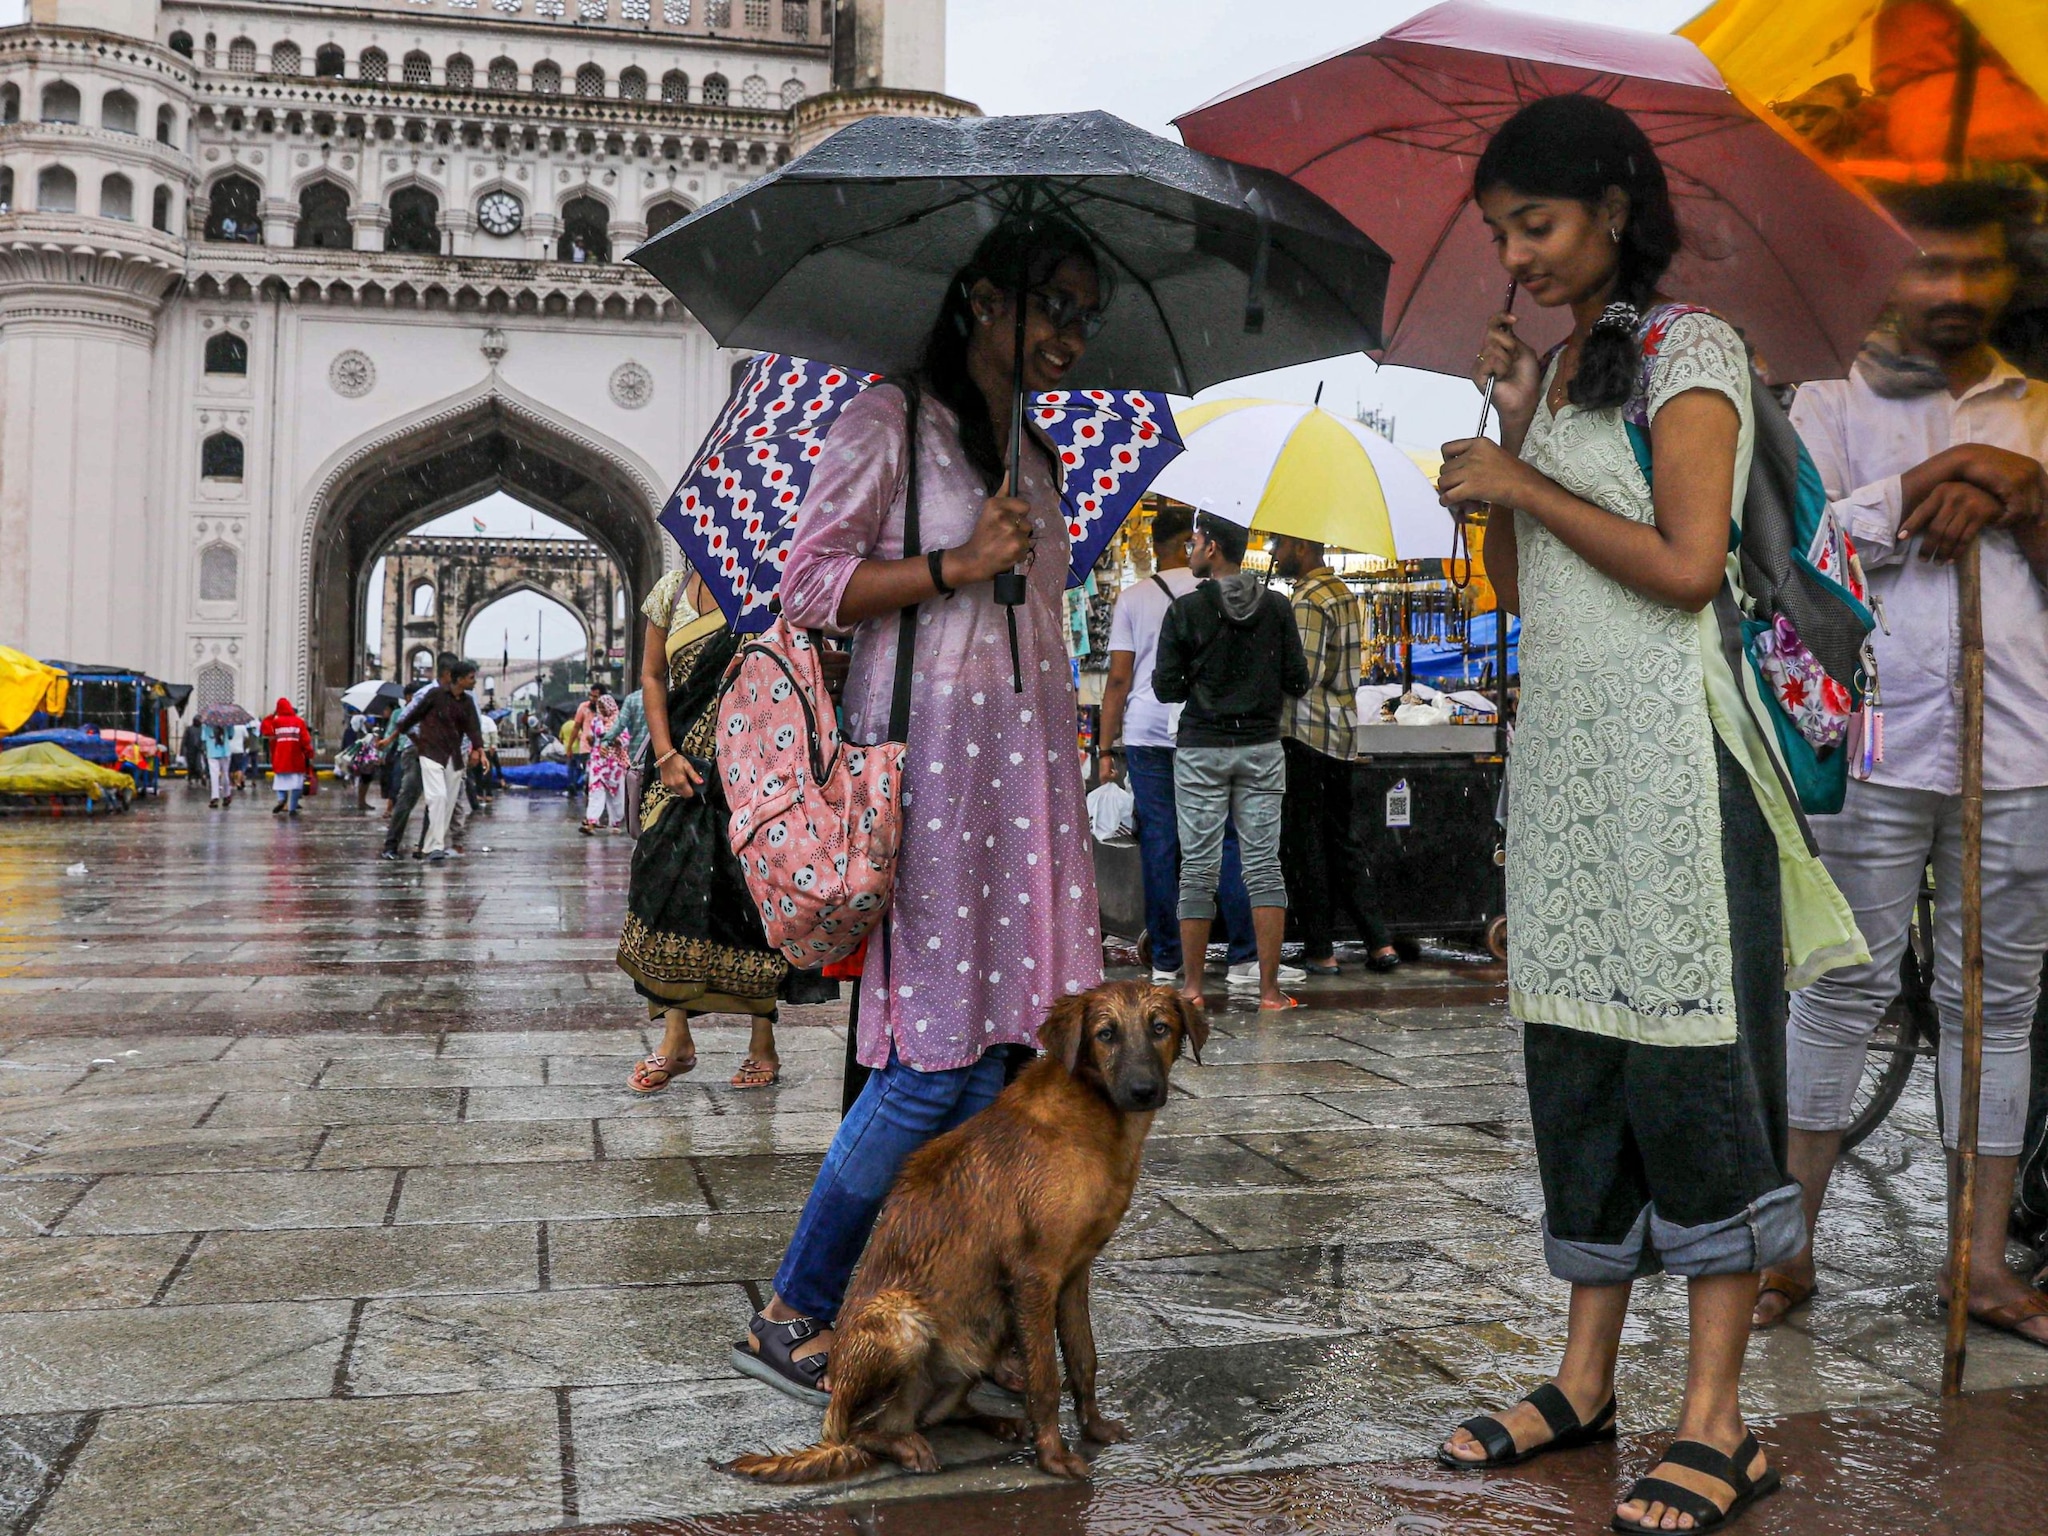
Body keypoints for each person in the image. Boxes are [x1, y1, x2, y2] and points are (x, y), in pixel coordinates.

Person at [1428, 95, 1864, 1533]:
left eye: (1535, 224)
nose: (1519, 253)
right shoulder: (1554, 374)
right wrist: (1503, 444)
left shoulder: (1698, 351)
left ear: (1615, 208)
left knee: (1693, 1075)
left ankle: (1720, 1420)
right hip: (1568, 778)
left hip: (1681, 768)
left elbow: (1685, 566)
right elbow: (1523, 576)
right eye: (1501, 234)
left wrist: (1523, 480)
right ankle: (1584, 1378)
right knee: (1580, 1063)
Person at [732, 214, 1105, 1401]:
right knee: (929, 1067)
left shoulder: (1030, 453)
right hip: (939, 779)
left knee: (1012, 1062)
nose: (1068, 334)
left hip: (1029, 779)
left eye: (1083, 315)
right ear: (979, 301)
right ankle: (797, 1300)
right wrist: (953, 562)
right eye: (1052, 305)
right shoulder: (889, 423)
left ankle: (965, 1313)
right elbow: (808, 584)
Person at [1758, 182, 2048, 1346]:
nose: (1953, 292)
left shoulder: (2038, 403)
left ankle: (1977, 1264)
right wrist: (1937, 477)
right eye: (1928, 265)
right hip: (1870, 743)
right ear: (1881, 268)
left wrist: (2021, 491)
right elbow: (1797, 558)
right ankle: (1784, 1252)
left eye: (1976, 269)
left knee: (1998, 1004)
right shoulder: (1824, 395)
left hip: (2021, 744)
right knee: (1837, 988)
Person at [1095, 501, 1284, 991]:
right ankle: (1243, 955)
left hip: (1150, 734)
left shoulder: (1137, 597)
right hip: (1216, 733)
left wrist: (1105, 748)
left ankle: (1166, 958)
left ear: (1155, 545)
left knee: (1161, 841)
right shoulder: (1239, 593)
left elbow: (1118, 679)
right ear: (1188, 542)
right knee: (1228, 841)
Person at [617, 566, 789, 1093]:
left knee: (752, 898)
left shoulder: (771, 586)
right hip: (680, 770)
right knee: (666, 891)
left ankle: (763, 1040)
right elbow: (652, 676)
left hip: (755, 767)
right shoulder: (670, 590)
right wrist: (666, 754)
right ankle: (677, 1038)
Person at [1152, 512, 1309, 1013]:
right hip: (1262, 748)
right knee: (1263, 866)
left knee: (1198, 867)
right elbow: (1298, 681)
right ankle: (1267, 992)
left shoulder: (1185, 610)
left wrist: (1204, 679)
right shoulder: (1279, 608)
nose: (1189, 550)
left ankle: (1192, 990)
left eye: (1194, 542)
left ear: (1214, 547)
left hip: (1201, 750)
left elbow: (1164, 687)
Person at [1270, 533, 1401, 976]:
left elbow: (1302, 675)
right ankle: (1379, 943)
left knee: (1308, 843)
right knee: (1342, 841)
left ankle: (1320, 949)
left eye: (1279, 544)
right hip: (1341, 735)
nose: (1274, 552)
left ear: (1302, 548)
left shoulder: (1308, 599)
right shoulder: (1342, 592)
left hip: (1307, 735)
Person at [387, 654, 484, 864]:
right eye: (470, 677)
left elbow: (472, 727)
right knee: (414, 798)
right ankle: (392, 845)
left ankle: (428, 846)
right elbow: (407, 720)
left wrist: (475, 750)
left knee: (443, 801)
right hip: (422, 752)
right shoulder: (428, 694)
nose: (474, 681)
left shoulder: (468, 699)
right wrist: (416, 741)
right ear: (450, 675)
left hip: (453, 755)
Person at [378, 680, 429, 859]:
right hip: (414, 752)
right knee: (408, 796)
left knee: (433, 800)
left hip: (427, 752)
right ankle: (391, 844)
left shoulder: (434, 699)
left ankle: (425, 846)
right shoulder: (425, 700)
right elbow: (402, 725)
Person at [581, 694, 628, 834]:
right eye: (599, 706)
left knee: (616, 795)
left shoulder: (619, 721)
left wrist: (614, 740)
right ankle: (591, 821)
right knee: (596, 790)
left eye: (603, 706)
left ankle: (615, 822)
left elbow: (625, 739)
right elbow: (592, 738)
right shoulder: (596, 721)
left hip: (615, 764)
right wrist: (590, 739)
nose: (601, 709)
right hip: (598, 762)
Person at [607, 686, 648, 839]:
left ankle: (640, 828)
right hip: (661, 755)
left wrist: (606, 740)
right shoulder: (667, 694)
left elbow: (620, 724)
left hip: (638, 755)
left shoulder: (633, 699)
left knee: (638, 793)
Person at [262, 697, 313, 816]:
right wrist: (309, 752)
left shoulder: (276, 722)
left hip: (280, 757)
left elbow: (267, 730)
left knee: (281, 781)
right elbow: (305, 740)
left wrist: (272, 715)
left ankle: (281, 800)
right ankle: (292, 807)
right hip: (296, 757)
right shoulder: (299, 722)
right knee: (297, 784)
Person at [568, 681, 602, 794]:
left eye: (595, 696)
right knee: (589, 774)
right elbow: (576, 727)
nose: (592, 698)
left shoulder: (607, 709)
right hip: (586, 749)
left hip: (603, 749)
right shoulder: (583, 707)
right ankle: (589, 796)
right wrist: (569, 747)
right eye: (590, 695)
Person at [201, 720, 233, 806]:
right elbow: (231, 736)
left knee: (214, 776)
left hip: (212, 751)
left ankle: (215, 797)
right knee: (225, 774)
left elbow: (203, 738)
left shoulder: (206, 722)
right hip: (225, 751)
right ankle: (227, 795)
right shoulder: (228, 721)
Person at [179, 717, 204, 788]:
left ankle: (200, 777)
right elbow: (184, 740)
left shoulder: (202, 729)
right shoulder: (189, 729)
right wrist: (183, 751)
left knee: (198, 765)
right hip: (190, 750)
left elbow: (204, 739)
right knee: (190, 765)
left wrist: (203, 748)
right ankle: (190, 778)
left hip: (198, 750)